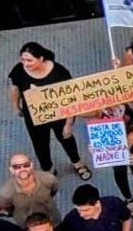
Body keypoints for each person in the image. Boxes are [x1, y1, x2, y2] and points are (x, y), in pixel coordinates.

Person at [8, 43, 91, 179]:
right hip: (34, 115)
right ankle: (48, 167)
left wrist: (69, 124)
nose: (25, 64)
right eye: (23, 60)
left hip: (59, 114)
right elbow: (15, 89)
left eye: (29, 60)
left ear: (41, 58)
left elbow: (71, 98)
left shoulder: (59, 72)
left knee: (66, 139)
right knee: (39, 143)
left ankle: (77, 163)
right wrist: (16, 106)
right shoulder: (19, 70)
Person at [0, 154, 60, 227]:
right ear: (11, 170)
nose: (22, 169)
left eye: (26, 165)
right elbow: (8, 207)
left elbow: (53, 190)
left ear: (32, 165)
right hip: (27, 224)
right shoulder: (6, 194)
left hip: (52, 219)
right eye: (16, 167)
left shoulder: (48, 179)